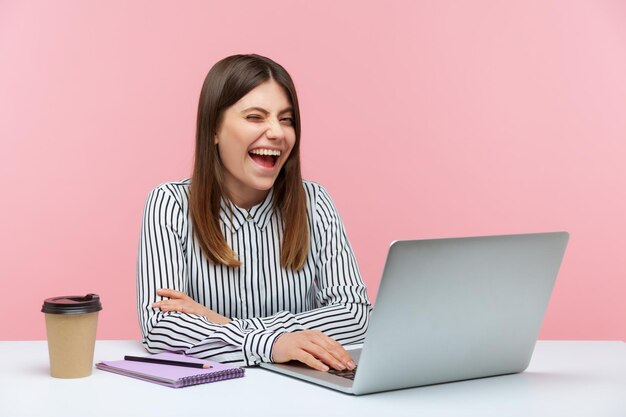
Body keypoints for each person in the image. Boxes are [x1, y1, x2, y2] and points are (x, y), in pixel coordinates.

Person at [136, 54, 370, 372]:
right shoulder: (170, 204)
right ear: (214, 130)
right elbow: (162, 329)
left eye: (286, 119)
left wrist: (221, 323)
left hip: (306, 393)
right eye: (256, 117)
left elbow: (356, 316)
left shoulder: (314, 201)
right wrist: (273, 345)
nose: (277, 132)